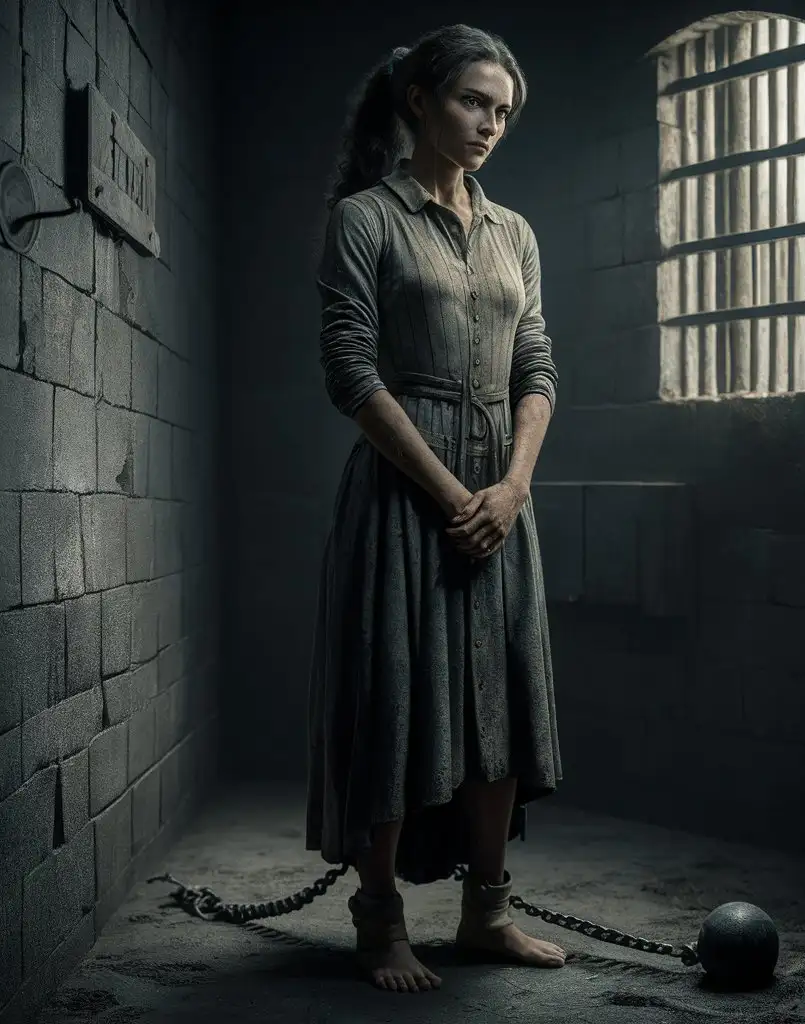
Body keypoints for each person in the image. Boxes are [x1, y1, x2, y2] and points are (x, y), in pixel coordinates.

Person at [305, 23, 564, 994]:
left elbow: (536, 363)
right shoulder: (366, 218)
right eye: (472, 101)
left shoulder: (514, 234)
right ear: (418, 98)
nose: (490, 123)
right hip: (404, 499)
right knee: (395, 699)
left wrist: (512, 486)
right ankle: (380, 925)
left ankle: (486, 914)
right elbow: (348, 370)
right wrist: (455, 493)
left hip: (501, 501)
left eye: (503, 110)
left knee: (499, 699)